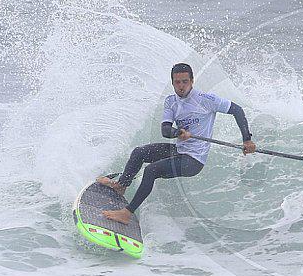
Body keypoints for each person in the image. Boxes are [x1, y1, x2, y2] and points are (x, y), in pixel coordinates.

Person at [98, 62, 256, 224]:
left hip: (193, 160)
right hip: (179, 150)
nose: (181, 86)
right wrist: (177, 133)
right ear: (173, 83)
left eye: (185, 81)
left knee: (151, 170)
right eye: (177, 82)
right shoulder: (171, 102)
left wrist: (247, 139)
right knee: (139, 152)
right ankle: (121, 186)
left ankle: (127, 213)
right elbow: (165, 130)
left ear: (192, 81)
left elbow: (237, 110)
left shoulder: (206, 99)